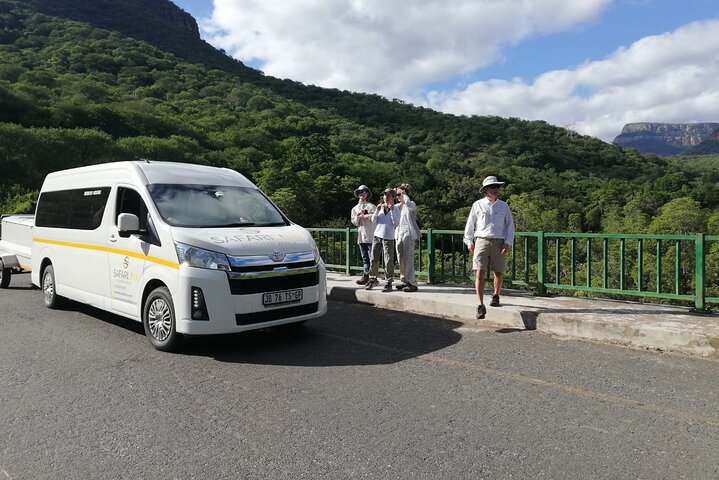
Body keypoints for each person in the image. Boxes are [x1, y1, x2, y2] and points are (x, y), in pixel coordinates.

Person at [463, 175, 515, 319]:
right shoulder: (478, 205)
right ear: (486, 190)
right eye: (493, 186)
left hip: (499, 241)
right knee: (479, 272)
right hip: (481, 240)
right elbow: (470, 224)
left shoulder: (504, 206)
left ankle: (496, 295)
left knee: (498, 271)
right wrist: (469, 241)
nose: (497, 189)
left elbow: (510, 226)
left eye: (498, 186)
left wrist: (507, 242)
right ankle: (480, 305)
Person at [365, 188, 400, 292]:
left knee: (388, 260)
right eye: (384, 196)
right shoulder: (380, 207)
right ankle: (373, 278)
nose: (385, 198)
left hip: (389, 237)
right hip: (377, 235)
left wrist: (392, 209)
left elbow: (396, 223)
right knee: (373, 258)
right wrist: (376, 211)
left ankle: (388, 281)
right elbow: (374, 221)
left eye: (388, 196)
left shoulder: (396, 209)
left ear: (393, 197)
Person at [394, 183, 420, 292]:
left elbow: (409, 204)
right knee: (401, 258)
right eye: (397, 195)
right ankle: (404, 280)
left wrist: (404, 193)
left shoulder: (411, 204)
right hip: (398, 233)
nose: (398, 196)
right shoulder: (396, 207)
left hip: (408, 232)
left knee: (409, 258)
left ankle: (412, 283)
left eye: (399, 194)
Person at [350, 184, 376, 285]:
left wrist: (366, 215)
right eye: (360, 192)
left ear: (367, 194)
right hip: (361, 236)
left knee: (371, 257)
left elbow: (376, 219)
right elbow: (355, 222)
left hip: (370, 234)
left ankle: (372, 276)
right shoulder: (354, 209)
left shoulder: (371, 206)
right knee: (364, 257)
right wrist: (358, 215)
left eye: (364, 192)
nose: (362, 194)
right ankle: (366, 275)